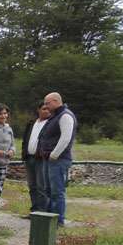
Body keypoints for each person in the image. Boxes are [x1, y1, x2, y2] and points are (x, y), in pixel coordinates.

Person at [37, 91, 78, 226]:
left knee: (56, 192)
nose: (45, 106)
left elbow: (66, 138)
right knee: (48, 190)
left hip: (58, 160)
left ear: (55, 101)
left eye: (47, 103)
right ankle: (49, 219)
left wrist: (54, 154)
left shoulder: (65, 116)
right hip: (49, 159)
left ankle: (58, 221)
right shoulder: (55, 116)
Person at [21, 103, 52, 213]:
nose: (47, 111)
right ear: (38, 110)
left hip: (41, 159)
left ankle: (42, 212)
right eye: (44, 109)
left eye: (48, 109)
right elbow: (25, 139)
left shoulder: (50, 123)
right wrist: (24, 153)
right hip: (29, 158)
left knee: (41, 186)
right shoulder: (31, 123)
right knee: (32, 186)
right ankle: (34, 211)